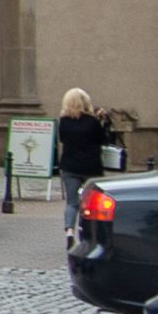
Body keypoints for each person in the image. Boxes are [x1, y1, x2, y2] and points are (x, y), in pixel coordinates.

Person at [54, 87, 104, 235]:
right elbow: (102, 140)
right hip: (91, 167)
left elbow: (63, 139)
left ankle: (69, 231)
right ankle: (92, 231)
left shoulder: (64, 122)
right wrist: (101, 121)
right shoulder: (92, 122)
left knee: (71, 202)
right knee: (94, 201)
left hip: (69, 166)